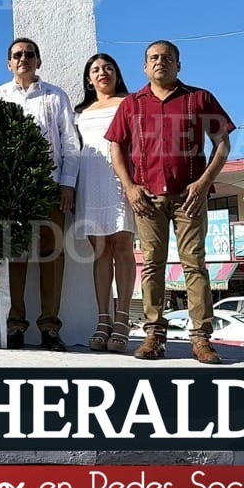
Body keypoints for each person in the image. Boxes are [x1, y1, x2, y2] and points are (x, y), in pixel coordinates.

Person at [106, 39, 235, 364]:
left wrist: (203, 184)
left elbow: (222, 143)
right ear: (145, 67)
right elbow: (116, 149)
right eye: (154, 58)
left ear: (178, 65)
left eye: (167, 58)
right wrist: (130, 187)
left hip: (189, 197)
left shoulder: (199, 98)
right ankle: (154, 335)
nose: (160, 62)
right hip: (147, 199)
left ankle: (201, 338)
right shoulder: (131, 104)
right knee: (152, 265)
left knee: (194, 265)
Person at [0, 37, 80, 351]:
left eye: (29, 54)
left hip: (50, 189)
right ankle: (14, 325)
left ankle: (50, 329)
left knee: (52, 257)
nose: (23, 58)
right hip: (12, 192)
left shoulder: (56, 96)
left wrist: (67, 184)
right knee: (15, 255)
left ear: (38, 61)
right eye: (17, 55)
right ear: (9, 63)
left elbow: (70, 143)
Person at [74, 52, 136, 353]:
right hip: (90, 179)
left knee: (122, 247)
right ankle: (103, 320)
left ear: (116, 73)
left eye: (108, 67)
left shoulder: (130, 103)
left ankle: (123, 319)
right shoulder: (80, 112)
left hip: (120, 178)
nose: (102, 73)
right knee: (100, 250)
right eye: (96, 69)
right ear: (89, 78)